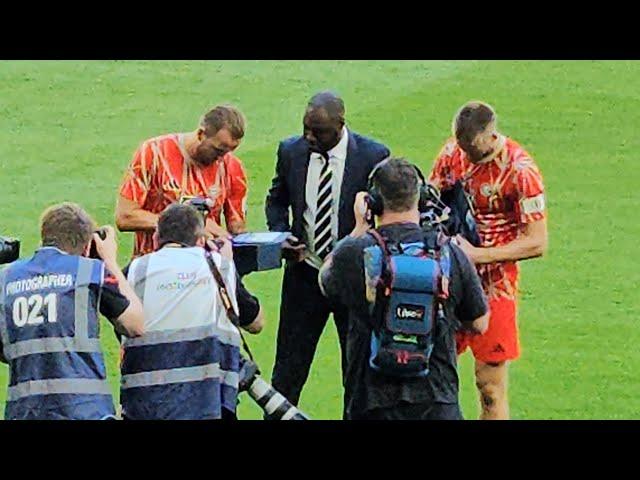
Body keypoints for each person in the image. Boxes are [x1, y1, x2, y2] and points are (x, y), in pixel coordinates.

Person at [319, 157, 489, 420]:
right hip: (437, 396)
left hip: (372, 402)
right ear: (420, 199)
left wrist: (359, 228)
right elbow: (479, 322)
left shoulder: (354, 253)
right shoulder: (449, 252)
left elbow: (325, 281)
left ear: (373, 202)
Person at [265, 90, 390, 408]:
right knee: (288, 369)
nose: (308, 136)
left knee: (357, 369)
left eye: (317, 131)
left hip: (353, 280)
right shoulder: (291, 151)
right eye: (306, 128)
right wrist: (281, 236)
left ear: (339, 125)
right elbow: (276, 199)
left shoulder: (373, 156)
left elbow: (384, 213)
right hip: (304, 275)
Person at [429, 101, 548, 420]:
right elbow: (430, 202)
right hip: (448, 279)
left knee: (490, 389)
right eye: (460, 145)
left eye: (471, 146)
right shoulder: (451, 153)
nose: (465, 154)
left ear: (490, 135)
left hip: (495, 286)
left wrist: (479, 255)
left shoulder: (521, 171)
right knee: (431, 375)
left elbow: (537, 241)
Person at [120, 203, 264, 420]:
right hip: (210, 402)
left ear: (156, 238)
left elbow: (120, 322)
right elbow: (257, 323)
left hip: (146, 405)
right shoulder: (218, 266)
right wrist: (229, 266)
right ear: (200, 241)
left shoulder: (135, 270)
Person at [0, 203, 144, 420]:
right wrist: (110, 262)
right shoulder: (89, 270)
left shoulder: (7, 278)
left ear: (44, 237)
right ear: (87, 247)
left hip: (25, 412)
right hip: (85, 410)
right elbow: (135, 324)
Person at [116, 104, 249, 258]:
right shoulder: (154, 154)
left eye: (230, 151)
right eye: (218, 150)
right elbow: (125, 216)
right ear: (201, 134)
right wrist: (191, 226)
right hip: (154, 267)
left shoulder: (231, 166)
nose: (222, 159)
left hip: (204, 271)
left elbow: (237, 230)